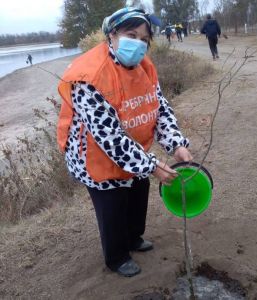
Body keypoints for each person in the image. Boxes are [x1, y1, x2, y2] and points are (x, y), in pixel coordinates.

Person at [57, 7, 192, 277]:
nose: (139, 44)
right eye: (131, 35)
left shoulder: (144, 67)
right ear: (111, 35)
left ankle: (133, 238)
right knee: (113, 206)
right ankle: (117, 256)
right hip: (94, 156)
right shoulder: (90, 76)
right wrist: (153, 165)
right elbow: (109, 137)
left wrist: (176, 143)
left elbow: (160, 108)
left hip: (134, 152)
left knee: (137, 196)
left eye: (144, 39)